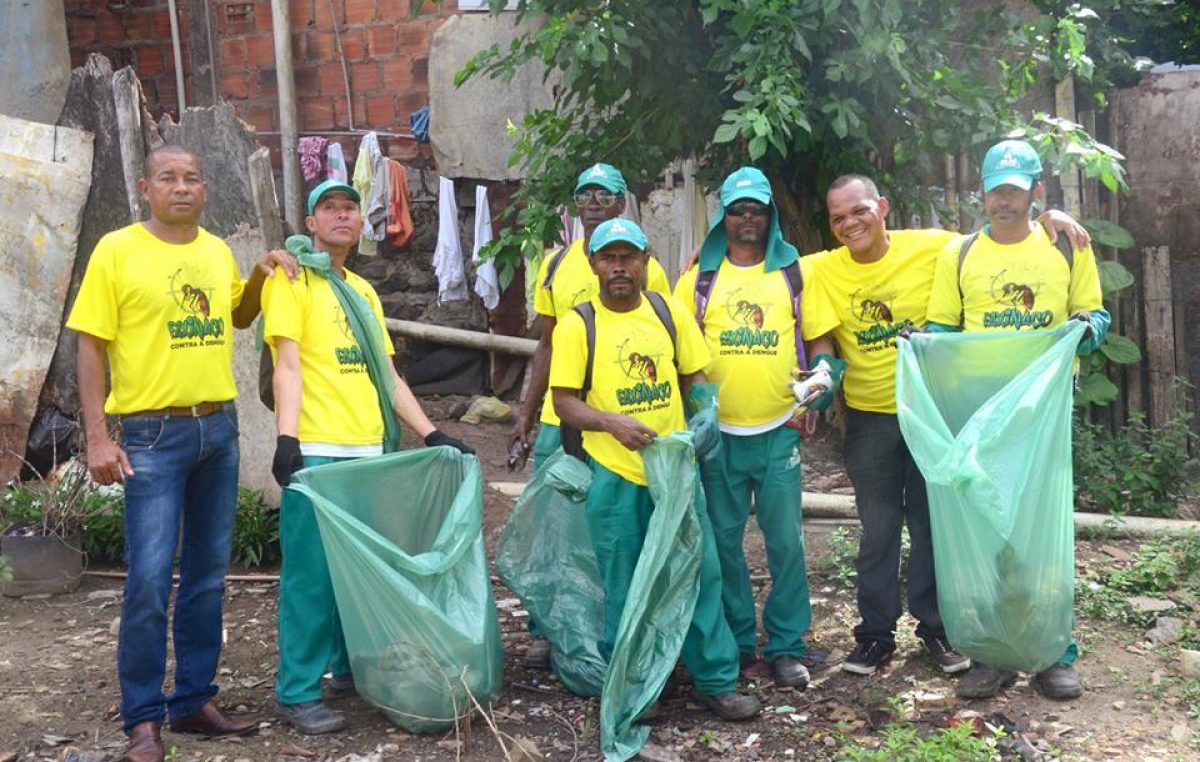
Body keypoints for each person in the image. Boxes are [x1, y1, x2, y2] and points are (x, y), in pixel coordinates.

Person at [803, 173, 1092, 678]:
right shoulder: (824, 269)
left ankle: (936, 630)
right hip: (871, 418)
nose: (850, 223)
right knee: (877, 530)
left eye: (859, 211)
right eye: (838, 218)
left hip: (935, 413)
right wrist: (706, 258)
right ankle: (873, 637)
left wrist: (1049, 219)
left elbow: (999, 233)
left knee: (935, 525)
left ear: (884, 206)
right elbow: (770, 266)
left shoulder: (936, 247)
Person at [68, 144, 298, 762]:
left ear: (206, 189)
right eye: (167, 178)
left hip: (216, 431)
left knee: (204, 577)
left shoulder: (216, 249)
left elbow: (239, 316)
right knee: (146, 580)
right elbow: (89, 347)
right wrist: (97, 436)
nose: (181, 187)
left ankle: (194, 700)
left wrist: (261, 272)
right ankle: (142, 718)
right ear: (146, 188)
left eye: (192, 178)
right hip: (149, 436)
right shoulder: (117, 250)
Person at [264, 179, 474, 734]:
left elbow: (388, 375)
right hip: (319, 449)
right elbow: (287, 365)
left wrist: (431, 434)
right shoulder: (291, 280)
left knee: (356, 574)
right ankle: (297, 691)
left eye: (350, 208)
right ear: (310, 223)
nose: (341, 216)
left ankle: (348, 670)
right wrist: (288, 440)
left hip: (368, 452)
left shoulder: (363, 290)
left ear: (363, 223)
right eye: (328, 208)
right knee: (310, 577)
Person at [549, 218, 761, 721]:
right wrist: (608, 422)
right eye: (608, 258)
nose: (619, 267)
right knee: (625, 583)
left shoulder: (668, 313)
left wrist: (707, 413)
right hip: (614, 472)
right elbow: (563, 403)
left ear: (646, 260)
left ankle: (717, 681)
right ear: (594, 263)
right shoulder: (579, 324)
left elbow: (696, 378)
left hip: (673, 472)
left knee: (699, 572)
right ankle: (638, 685)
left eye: (628, 257)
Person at [923, 140, 1109, 701]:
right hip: (981, 415)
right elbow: (942, 335)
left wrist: (1082, 332)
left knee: (1041, 533)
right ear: (981, 192)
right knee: (990, 533)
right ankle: (993, 654)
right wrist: (921, 346)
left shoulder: (1066, 248)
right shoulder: (958, 256)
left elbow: (1095, 316)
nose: (1004, 200)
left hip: (1042, 414)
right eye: (995, 189)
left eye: (1015, 189)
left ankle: (1054, 653)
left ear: (1036, 191)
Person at [508, 162, 671, 668]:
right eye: (585, 194)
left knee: (612, 530)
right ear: (574, 206)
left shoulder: (649, 266)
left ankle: (609, 626)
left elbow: (663, 339)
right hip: (563, 420)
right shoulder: (556, 264)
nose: (594, 201)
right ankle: (545, 627)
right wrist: (524, 413)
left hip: (618, 428)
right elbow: (546, 345)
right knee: (553, 526)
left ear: (622, 203)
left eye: (605, 193)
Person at [673, 167, 823, 689]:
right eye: (737, 210)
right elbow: (679, 352)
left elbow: (820, 341)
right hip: (720, 436)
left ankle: (786, 645)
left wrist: (819, 390)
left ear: (770, 216)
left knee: (786, 542)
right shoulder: (698, 278)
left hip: (780, 428)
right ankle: (737, 643)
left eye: (756, 210)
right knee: (724, 543)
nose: (747, 219)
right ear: (723, 217)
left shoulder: (792, 272)